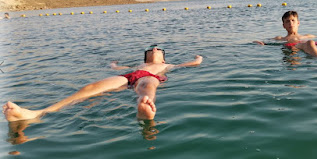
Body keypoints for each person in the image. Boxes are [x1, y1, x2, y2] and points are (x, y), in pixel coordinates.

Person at [3, 44, 203, 122]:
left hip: (150, 77)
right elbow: (117, 68)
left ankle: (144, 106)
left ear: (163, 56)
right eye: (151, 48)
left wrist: (197, 58)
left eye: (158, 49)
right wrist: (114, 65)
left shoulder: (169, 65)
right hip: (129, 76)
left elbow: (191, 64)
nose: (154, 49)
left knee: (147, 84)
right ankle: (36, 113)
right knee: (89, 89)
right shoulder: (140, 63)